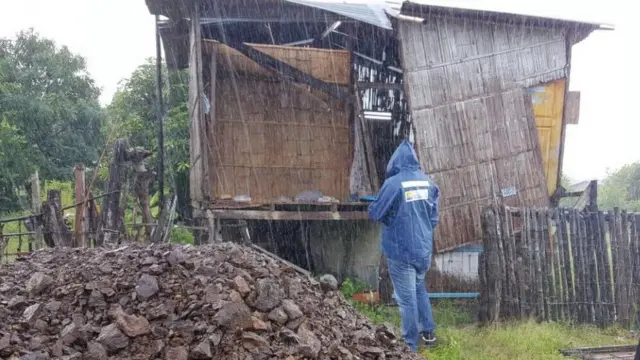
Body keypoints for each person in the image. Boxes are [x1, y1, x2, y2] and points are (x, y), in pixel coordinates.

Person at [368, 139, 439, 352]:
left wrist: (384, 211)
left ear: (395, 162)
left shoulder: (393, 183)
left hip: (401, 252)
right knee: (418, 289)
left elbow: (376, 213)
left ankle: (410, 346)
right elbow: (433, 219)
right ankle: (428, 332)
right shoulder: (428, 183)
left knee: (406, 300)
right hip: (423, 250)